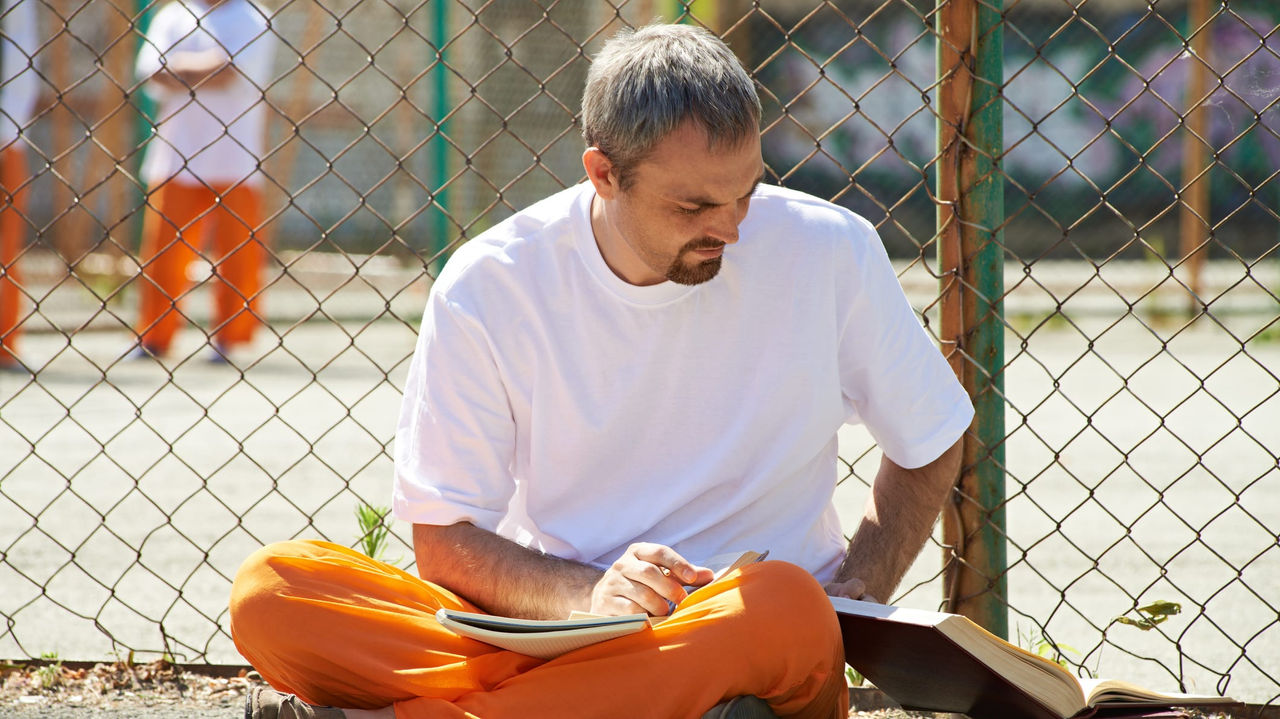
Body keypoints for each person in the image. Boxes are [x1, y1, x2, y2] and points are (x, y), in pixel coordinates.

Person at [229, 23, 973, 719]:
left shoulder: (828, 249)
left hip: (742, 633)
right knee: (273, 588)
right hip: (556, 628)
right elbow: (446, 539)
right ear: (603, 173)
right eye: (695, 205)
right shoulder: (491, 283)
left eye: (747, 190)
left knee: (784, 607)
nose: (734, 226)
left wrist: (862, 586)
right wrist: (596, 594)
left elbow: (933, 434)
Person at [128, 0, 274, 362]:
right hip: (176, 153)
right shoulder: (172, 15)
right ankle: (154, 336)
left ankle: (231, 338)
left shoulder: (253, 17)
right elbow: (150, 72)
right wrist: (211, 66)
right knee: (162, 250)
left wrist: (178, 69)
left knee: (237, 251)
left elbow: (235, 72)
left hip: (235, 156)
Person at [0, 0, 40, 372]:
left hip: (2, 138)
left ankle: (2, 341)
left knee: (4, 247)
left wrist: (6, 133)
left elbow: (21, 53)